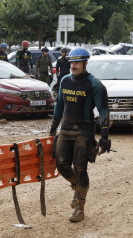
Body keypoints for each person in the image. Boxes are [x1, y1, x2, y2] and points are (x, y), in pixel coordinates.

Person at [49, 47, 111, 223]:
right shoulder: (65, 81)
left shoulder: (95, 85)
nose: (73, 66)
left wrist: (104, 137)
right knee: (61, 164)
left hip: (84, 131)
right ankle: (78, 187)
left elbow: (104, 111)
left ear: (85, 63)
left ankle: (79, 207)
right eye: (71, 62)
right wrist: (53, 129)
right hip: (66, 129)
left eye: (76, 62)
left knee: (80, 168)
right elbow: (59, 105)